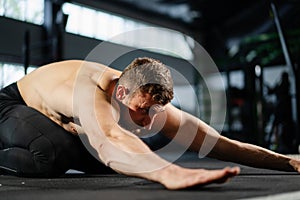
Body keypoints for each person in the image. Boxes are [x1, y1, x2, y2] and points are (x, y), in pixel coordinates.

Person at [0, 58, 299, 190]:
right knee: (53, 151)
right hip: (12, 104)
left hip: (60, 117)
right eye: (142, 110)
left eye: (155, 111)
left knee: (128, 152)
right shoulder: (87, 94)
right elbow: (107, 141)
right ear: (120, 92)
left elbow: (218, 144)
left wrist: (288, 162)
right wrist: (168, 173)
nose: (148, 120)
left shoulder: (146, 99)